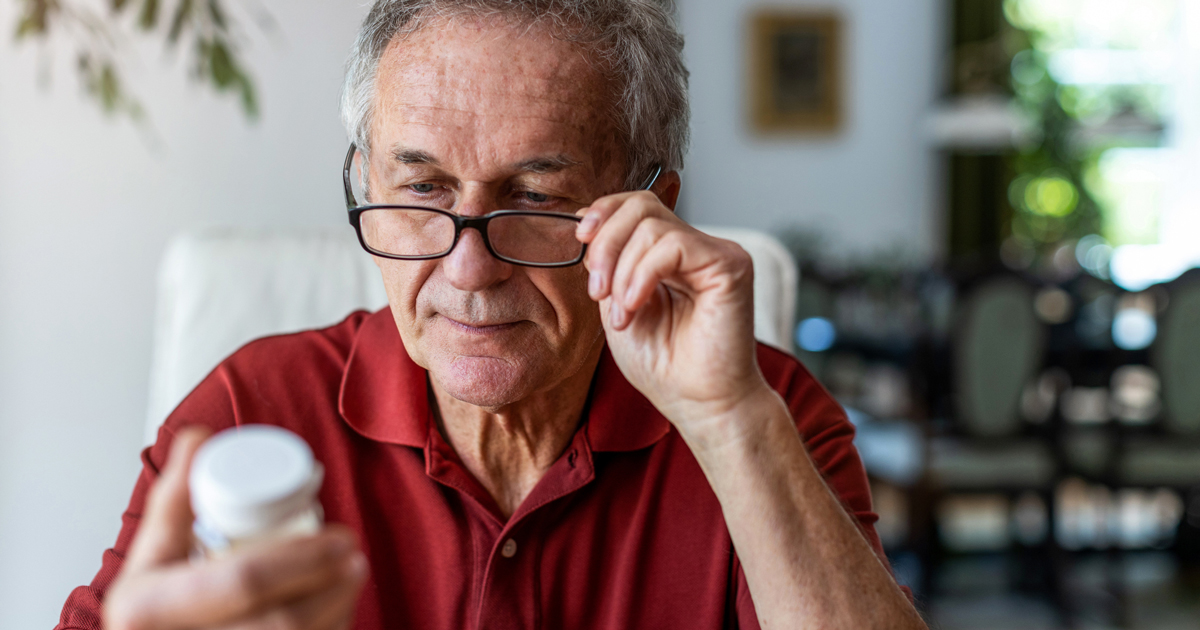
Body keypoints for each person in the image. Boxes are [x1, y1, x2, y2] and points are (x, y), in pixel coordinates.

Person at [57, 1, 926, 628]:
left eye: (536, 197)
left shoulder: (766, 412)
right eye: (422, 188)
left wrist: (734, 426)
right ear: (366, 182)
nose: (467, 270)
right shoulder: (252, 407)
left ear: (652, 206)